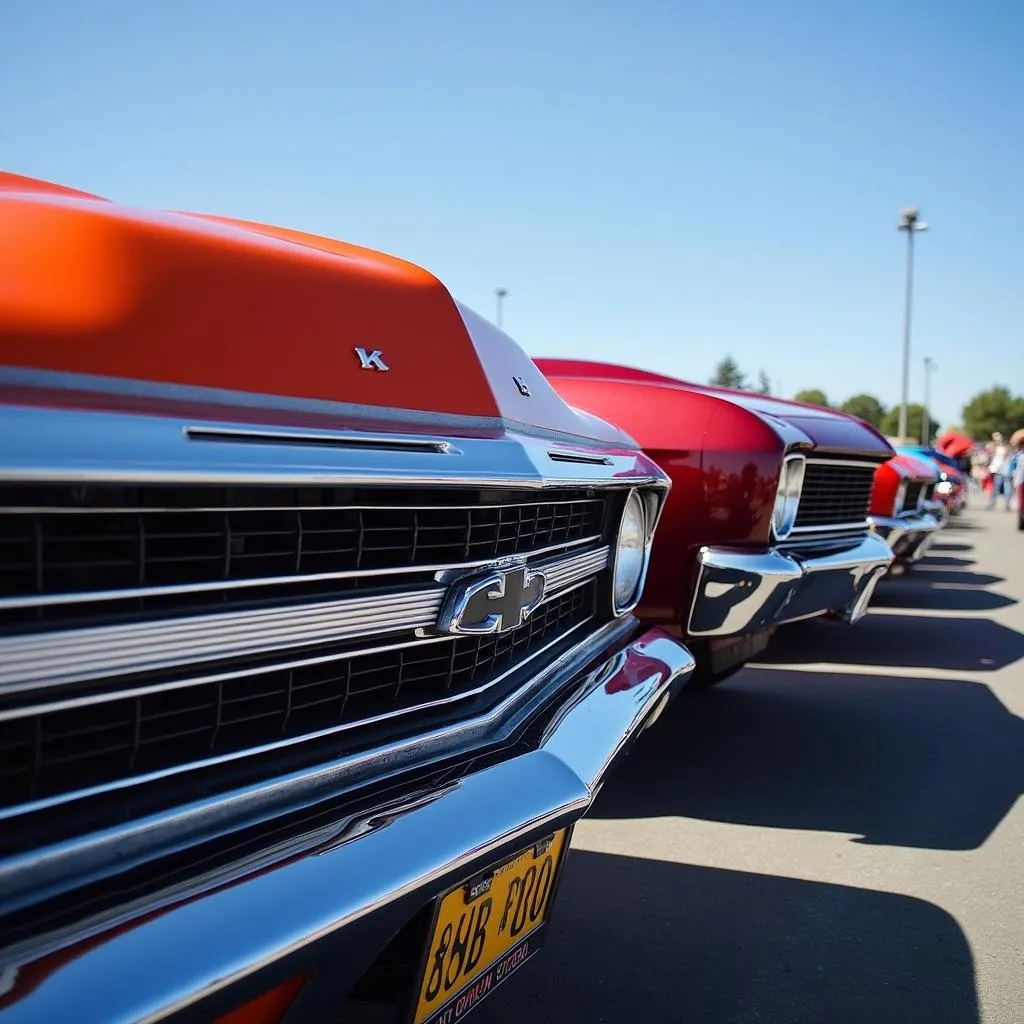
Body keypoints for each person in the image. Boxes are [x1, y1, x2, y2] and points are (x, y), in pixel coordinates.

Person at [986, 433, 1014, 510]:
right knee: (996, 489)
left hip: (1005, 471)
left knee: (1007, 489)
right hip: (997, 471)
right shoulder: (994, 448)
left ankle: (1007, 505)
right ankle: (991, 504)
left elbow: (1009, 459)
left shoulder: (1006, 448)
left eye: (999, 439)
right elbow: (988, 450)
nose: (998, 440)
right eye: (996, 439)